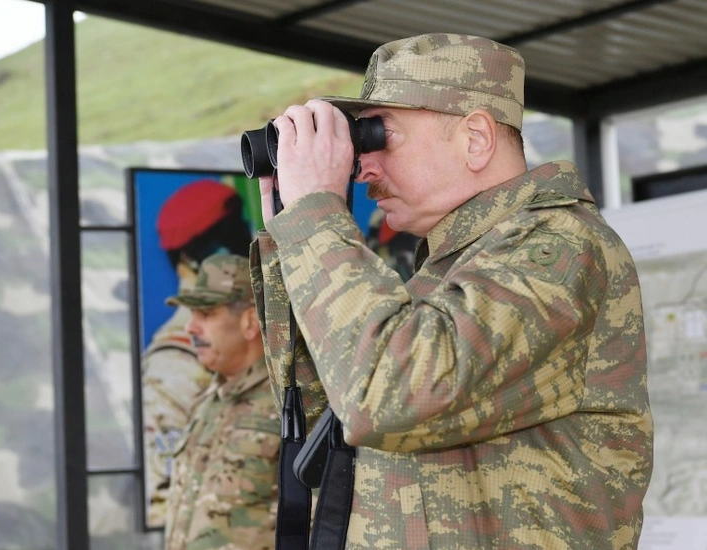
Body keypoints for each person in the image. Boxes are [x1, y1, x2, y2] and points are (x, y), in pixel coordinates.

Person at [249, 33, 654, 549]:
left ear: (475, 138)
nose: (364, 167)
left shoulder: (560, 248)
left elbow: (389, 399)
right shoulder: (446, 273)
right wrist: (293, 233)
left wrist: (317, 220)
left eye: (379, 135)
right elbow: (329, 422)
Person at [141, 179, 253, 528]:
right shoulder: (175, 361)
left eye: (240, 230)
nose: (245, 244)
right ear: (191, 257)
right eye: (227, 237)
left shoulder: (258, 327)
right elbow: (167, 497)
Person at [164, 254, 279, 550]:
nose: (190, 328)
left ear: (250, 321)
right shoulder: (207, 400)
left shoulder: (292, 405)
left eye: (206, 314)